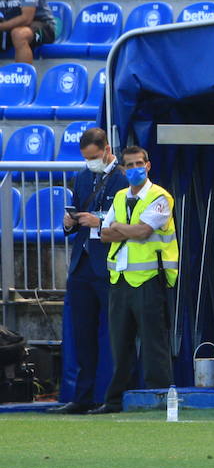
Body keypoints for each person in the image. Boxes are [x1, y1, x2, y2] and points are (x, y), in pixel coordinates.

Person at [90, 146, 177, 414]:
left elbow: (143, 231)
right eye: (130, 164)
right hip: (120, 278)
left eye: (140, 163)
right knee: (120, 344)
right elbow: (104, 235)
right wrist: (118, 229)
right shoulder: (118, 196)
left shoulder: (160, 196)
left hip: (150, 278)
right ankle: (116, 400)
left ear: (148, 166)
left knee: (154, 343)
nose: (135, 168)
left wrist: (118, 228)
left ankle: (159, 400)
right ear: (123, 169)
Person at [51, 128, 127, 414]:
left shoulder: (122, 178)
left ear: (107, 149)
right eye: (86, 158)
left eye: (94, 157)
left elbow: (129, 218)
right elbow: (77, 215)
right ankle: (82, 396)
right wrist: (69, 223)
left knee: (111, 335)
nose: (90, 162)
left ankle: (110, 396)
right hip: (82, 263)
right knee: (82, 333)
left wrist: (100, 220)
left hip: (109, 263)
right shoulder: (83, 177)